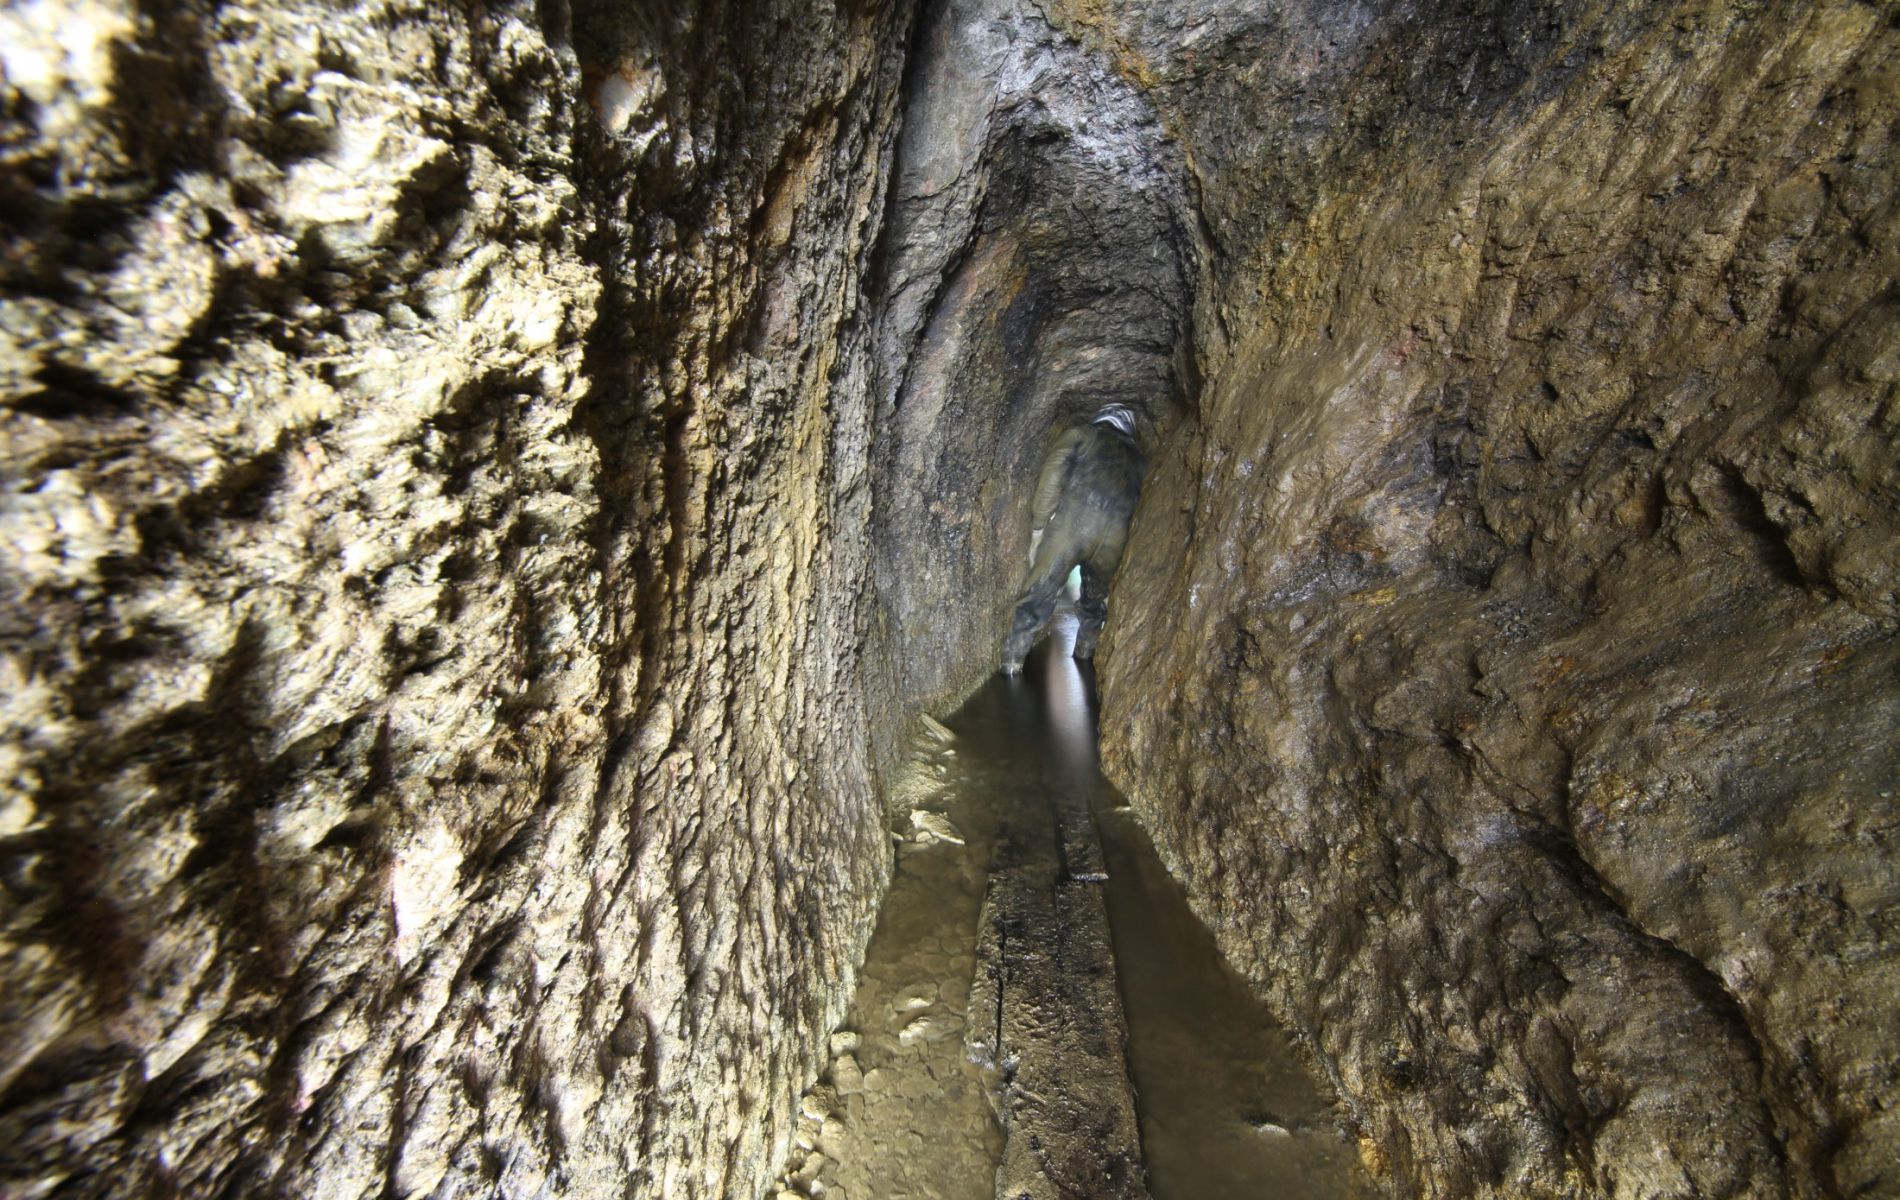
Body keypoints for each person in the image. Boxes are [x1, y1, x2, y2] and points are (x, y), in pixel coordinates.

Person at [1002, 403, 1146, 675]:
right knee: (1094, 603)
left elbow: (1054, 470)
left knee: (1040, 594)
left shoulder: (1082, 434)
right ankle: (1085, 652)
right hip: (1114, 544)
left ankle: (1012, 663)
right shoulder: (1142, 460)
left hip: (1070, 530)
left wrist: (1039, 525)